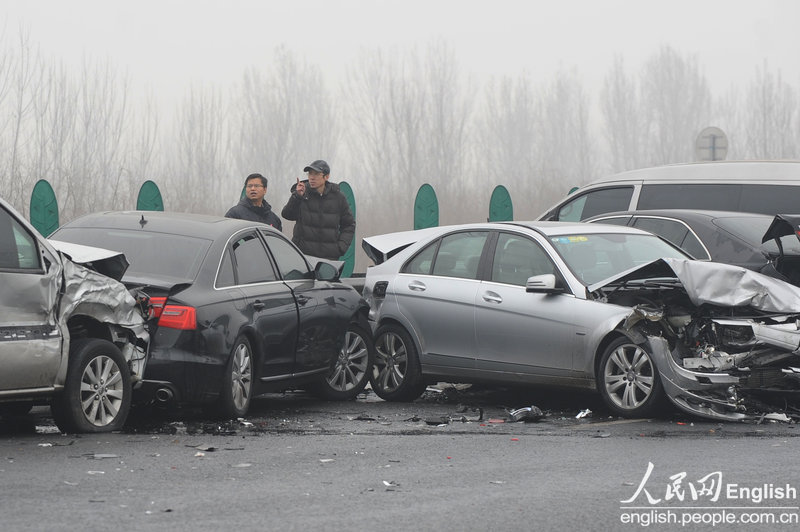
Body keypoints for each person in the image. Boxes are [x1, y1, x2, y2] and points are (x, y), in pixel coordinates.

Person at [281, 159, 355, 260]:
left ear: (326, 176)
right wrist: (297, 196)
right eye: (310, 174)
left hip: (329, 258)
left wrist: (340, 248)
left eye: (316, 174)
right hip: (303, 257)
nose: (312, 177)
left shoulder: (338, 197)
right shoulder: (302, 193)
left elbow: (349, 225)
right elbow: (287, 215)